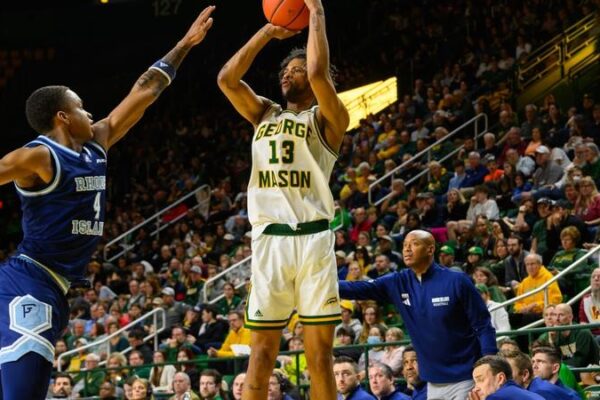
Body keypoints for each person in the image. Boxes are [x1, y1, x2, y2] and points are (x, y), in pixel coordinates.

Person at [0, 7, 215, 399]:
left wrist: (184, 45)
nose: (91, 112)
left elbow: (145, 91)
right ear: (63, 117)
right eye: (82, 107)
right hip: (27, 281)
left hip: (57, 287)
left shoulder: (97, 142)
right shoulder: (37, 156)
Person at [217, 0, 349, 398]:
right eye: (284, 72)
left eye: (295, 70)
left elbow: (316, 71)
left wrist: (316, 12)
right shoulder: (264, 114)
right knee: (260, 356)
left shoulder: (329, 118)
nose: (289, 75)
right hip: (270, 241)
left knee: (319, 357)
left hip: (313, 240)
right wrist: (268, 31)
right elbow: (227, 78)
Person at [340, 230, 497, 400]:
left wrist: (488, 363)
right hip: (432, 382)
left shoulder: (457, 280)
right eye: (405, 245)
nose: (407, 249)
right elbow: (359, 288)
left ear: (430, 249)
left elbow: (483, 325)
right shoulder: (398, 282)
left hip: (466, 378)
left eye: (414, 244)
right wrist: (323, 283)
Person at [503, 349, 580, 400]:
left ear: (525, 375)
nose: (534, 366)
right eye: (533, 362)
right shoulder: (536, 387)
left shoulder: (540, 392)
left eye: (540, 361)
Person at [469, 355, 543, 399]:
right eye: (475, 383)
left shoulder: (497, 397)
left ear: (500, 378)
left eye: (481, 380)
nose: (476, 388)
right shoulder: (529, 394)